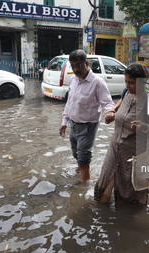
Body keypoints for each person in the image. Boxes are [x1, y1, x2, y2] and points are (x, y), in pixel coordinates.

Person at [94, 63, 149, 205]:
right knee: (104, 186)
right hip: (115, 149)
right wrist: (111, 112)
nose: (127, 85)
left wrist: (144, 127)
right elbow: (118, 105)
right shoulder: (126, 93)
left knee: (132, 194)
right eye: (126, 81)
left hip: (135, 156)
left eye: (131, 83)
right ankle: (101, 219)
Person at [59, 49, 115, 182]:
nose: (76, 69)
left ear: (87, 63)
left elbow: (107, 102)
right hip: (74, 124)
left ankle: (83, 189)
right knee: (76, 154)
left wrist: (110, 112)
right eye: (73, 66)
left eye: (79, 65)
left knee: (84, 158)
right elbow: (70, 103)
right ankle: (82, 172)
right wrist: (64, 122)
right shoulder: (73, 79)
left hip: (88, 126)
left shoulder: (97, 82)